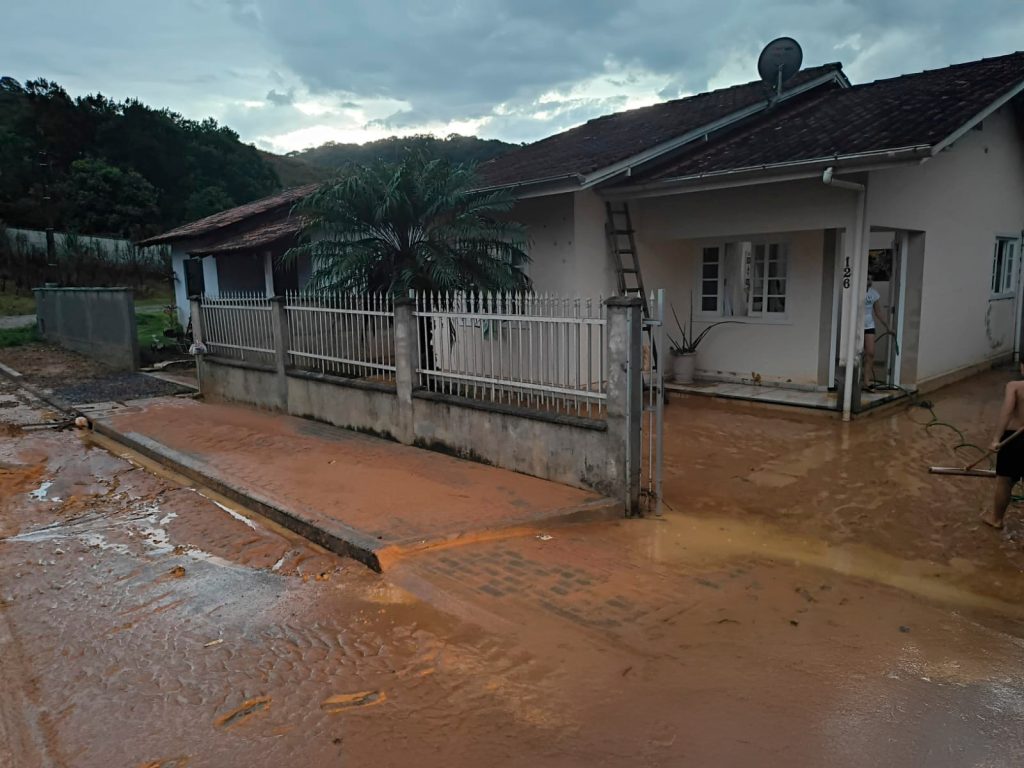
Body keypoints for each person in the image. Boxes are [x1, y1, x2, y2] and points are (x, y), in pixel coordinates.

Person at [983, 362, 1024, 529]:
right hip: (1016, 437)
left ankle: (996, 519)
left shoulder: (1014, 386)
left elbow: (1006, 412)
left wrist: (996, 439)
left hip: (1014, 439)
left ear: (1023, 367)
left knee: (1005, 481)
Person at [862, 277, 886, 391]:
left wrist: (887, 326)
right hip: (856, 326)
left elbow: (878, 311)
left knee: (870, 353)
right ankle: (853, 380)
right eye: (867, 278)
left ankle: (867, 381)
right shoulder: (857, 291)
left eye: (870, 279)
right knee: (856, 354)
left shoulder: (874, 293)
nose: (869, 280)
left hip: (869, 326)